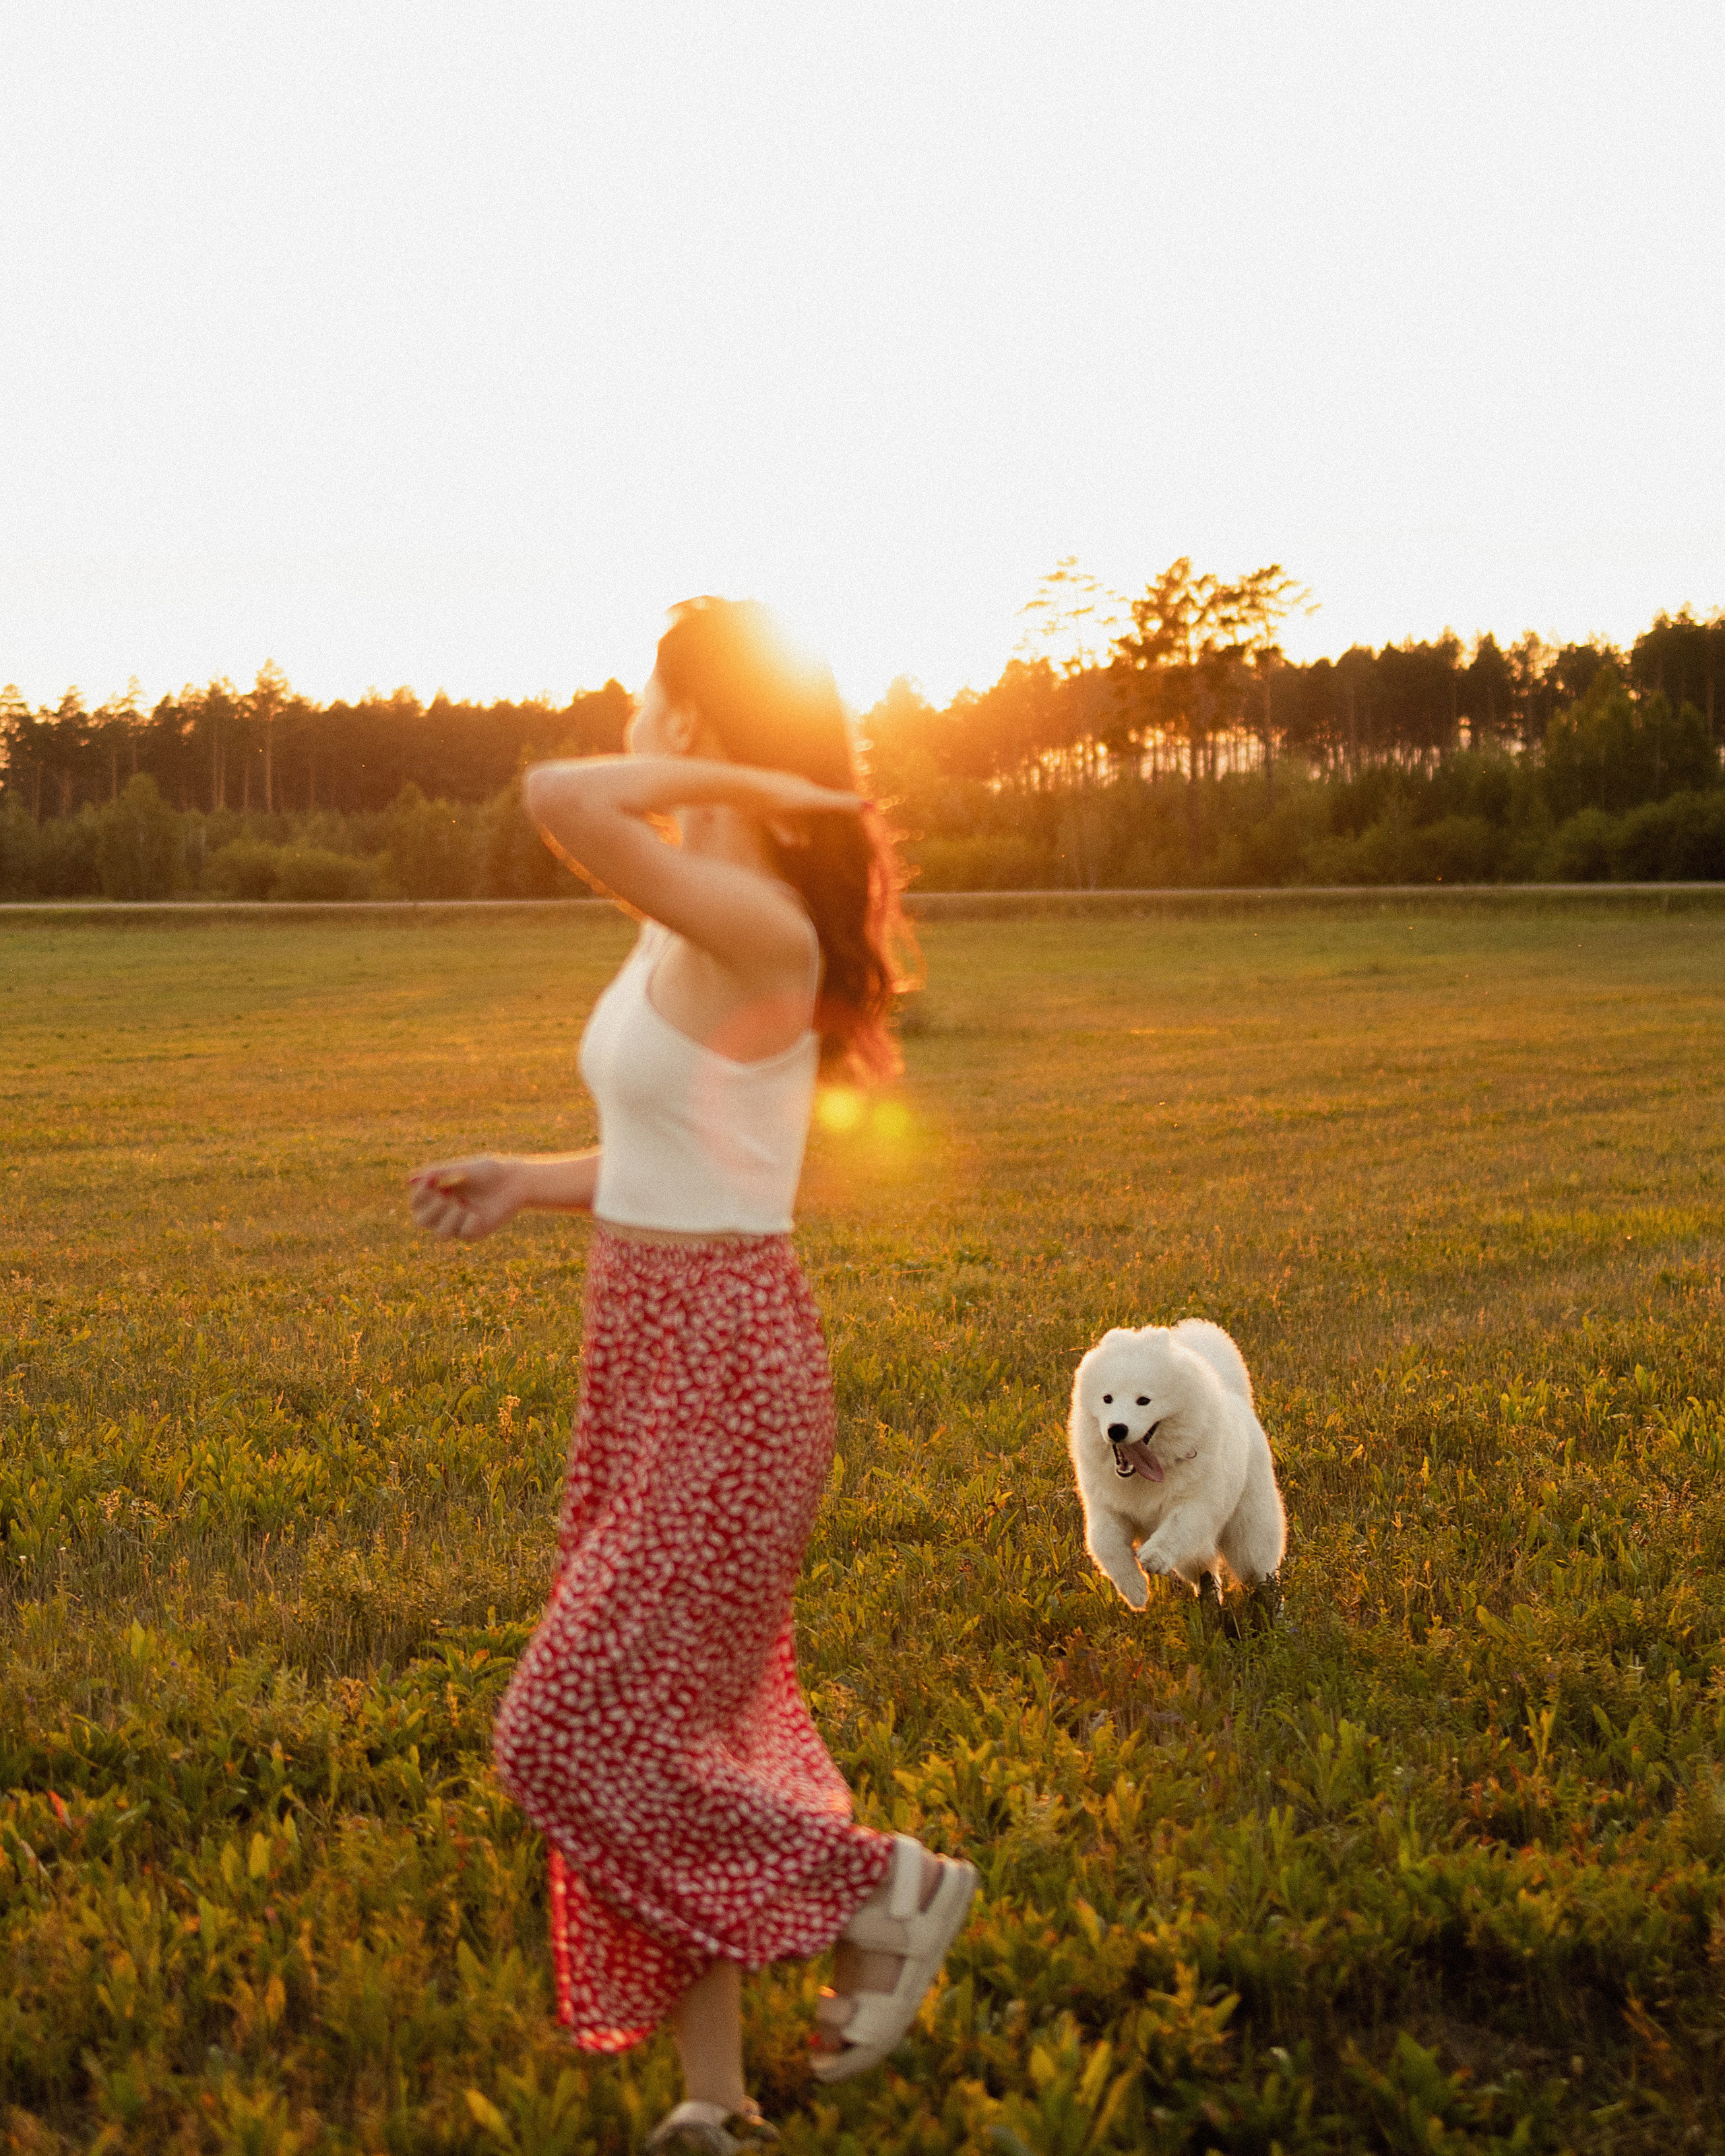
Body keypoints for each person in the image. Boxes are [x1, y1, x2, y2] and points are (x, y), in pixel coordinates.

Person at [408, 598, 976, 2155]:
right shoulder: (691, 911)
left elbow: (553, 796)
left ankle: (890, 1889)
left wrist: (761, 786)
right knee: (673, 1735)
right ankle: (714, 2102)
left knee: (563, 1729)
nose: (626, 728)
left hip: (729, 1371)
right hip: (646, 1355)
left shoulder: (760, 922)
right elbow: (683, 1150)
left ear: (696, 725)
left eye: (647, 703)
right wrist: (528, 1178)